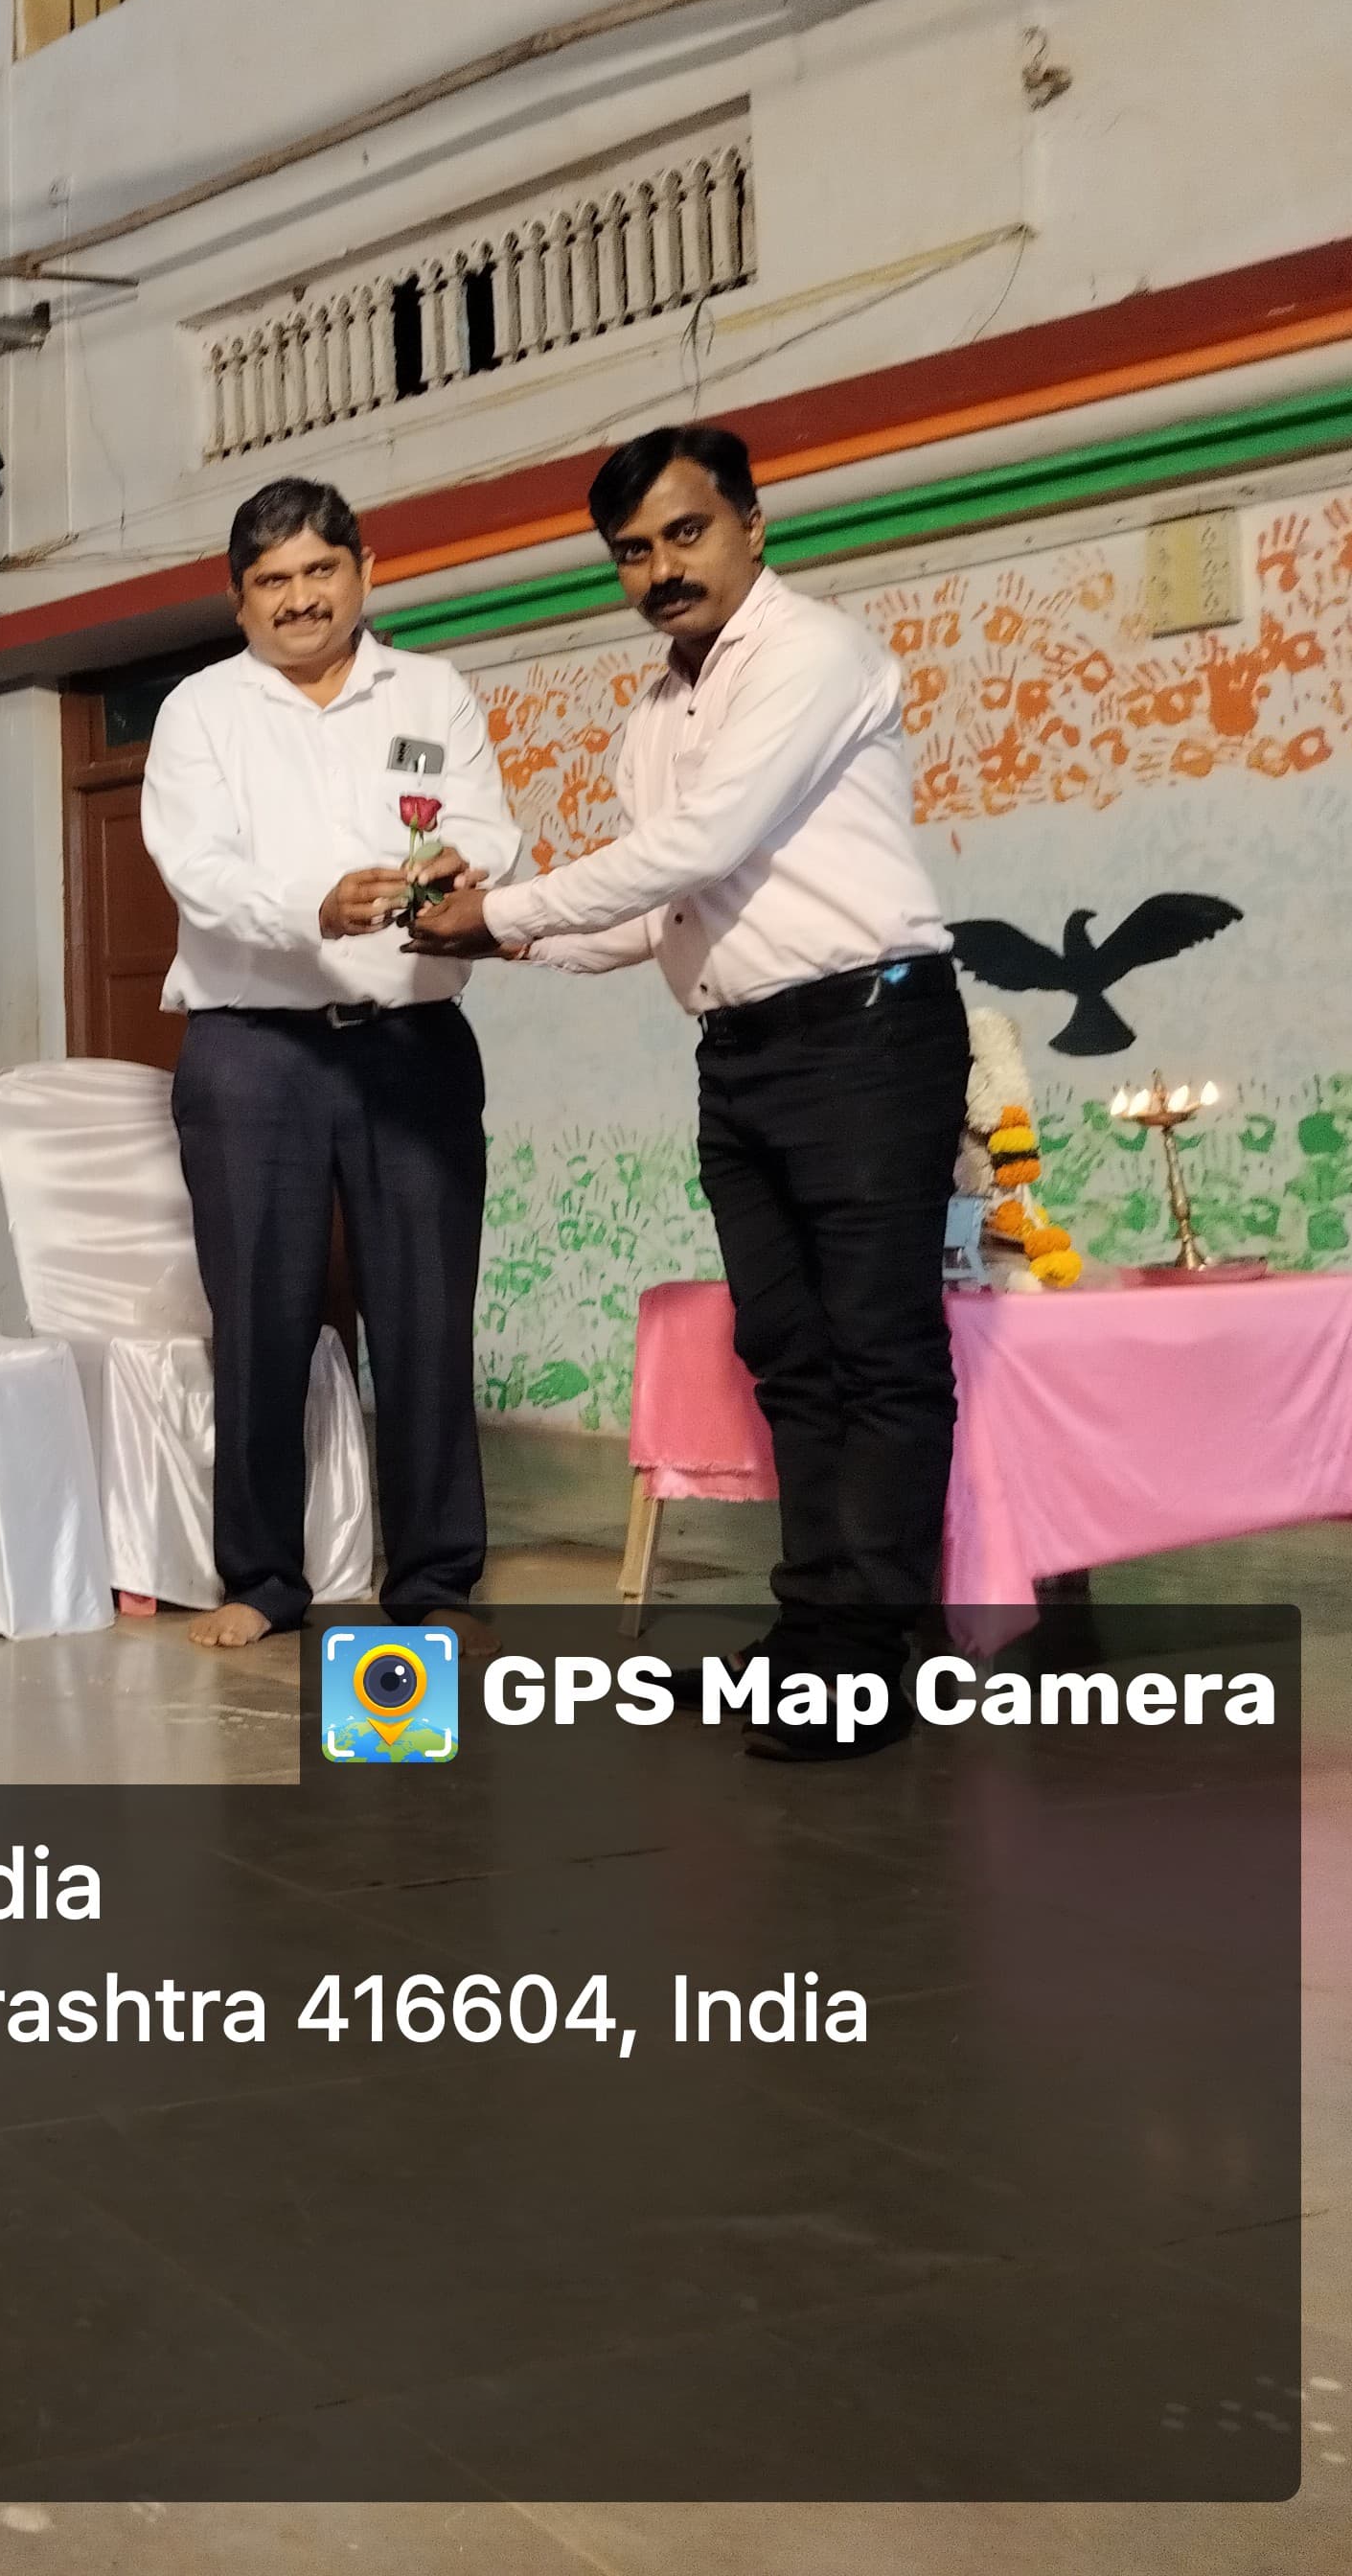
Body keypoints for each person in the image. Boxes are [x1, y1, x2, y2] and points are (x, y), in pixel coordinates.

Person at [416, 425, 962, 1762]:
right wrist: (483, 928)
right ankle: (813, 1629)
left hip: (868, 1033)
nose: (661, 568)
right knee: (788, 1354)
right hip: (743, 1051)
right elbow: (660, 906)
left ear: (751, 528)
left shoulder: (813, 653)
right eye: (632, 552)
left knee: (879, 1354)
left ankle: (867, 1658)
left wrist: (505, 910)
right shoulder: (655, 716)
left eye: (686, 532)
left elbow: (702, 842)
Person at [141, 479, 520, 1654]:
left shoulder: (432, 691)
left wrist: (459, 868)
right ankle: (260, 1580)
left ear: (363, 572)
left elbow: (489, 827)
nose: (298, 598)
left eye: (318, 571)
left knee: (426, 1312)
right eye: (271, 581)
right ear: (237, 600)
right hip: (252, 1048)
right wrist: (313, 905)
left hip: (410, 1043)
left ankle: (436, 1576)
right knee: (258, 1318)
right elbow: (195, 865)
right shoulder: (200, 710)